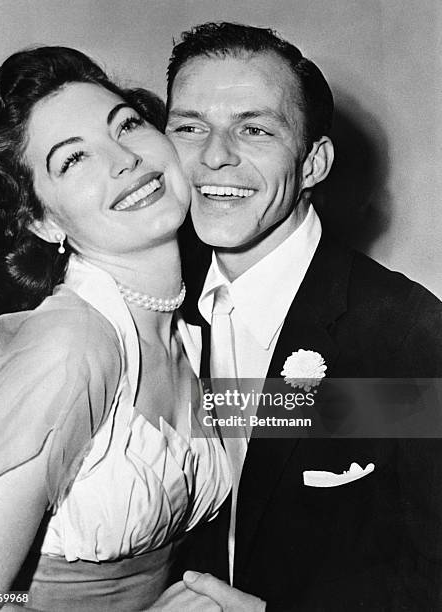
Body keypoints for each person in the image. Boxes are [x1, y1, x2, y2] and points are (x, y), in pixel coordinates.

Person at [159, 21, 442, 611]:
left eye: (254, 129)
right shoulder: (160, 308)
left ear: (314, 163)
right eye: (189, 127)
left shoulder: (404, 332)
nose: (215, 156)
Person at [0, 46, 231, 612]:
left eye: (127, 125)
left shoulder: (188, 327)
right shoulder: (71, 347)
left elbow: (361, 415)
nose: (123, 159)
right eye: (73, 160)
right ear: (42, 219)